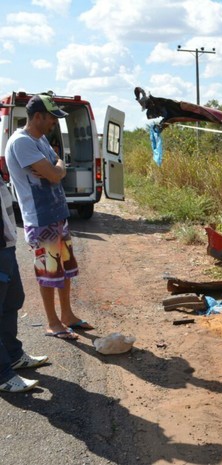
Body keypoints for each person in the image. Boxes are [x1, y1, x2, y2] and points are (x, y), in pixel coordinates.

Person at [4, 94, 93, 340]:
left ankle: (67, 315)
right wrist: (55, 170)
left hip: (57, 213)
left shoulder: (40, 138)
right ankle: (53, 322)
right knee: (48, 272)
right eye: (52, 118)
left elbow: (57, 166)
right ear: (38, 116)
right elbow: (54, 175)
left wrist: (57, 167)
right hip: (40, 217)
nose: (55, 122)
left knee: (64, 268)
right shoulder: (21, 142)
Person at [0, 113, 49, 391]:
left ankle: (14, 356)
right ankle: (3, 375)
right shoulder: (19, 143)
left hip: (6, 242)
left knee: (12, 300)